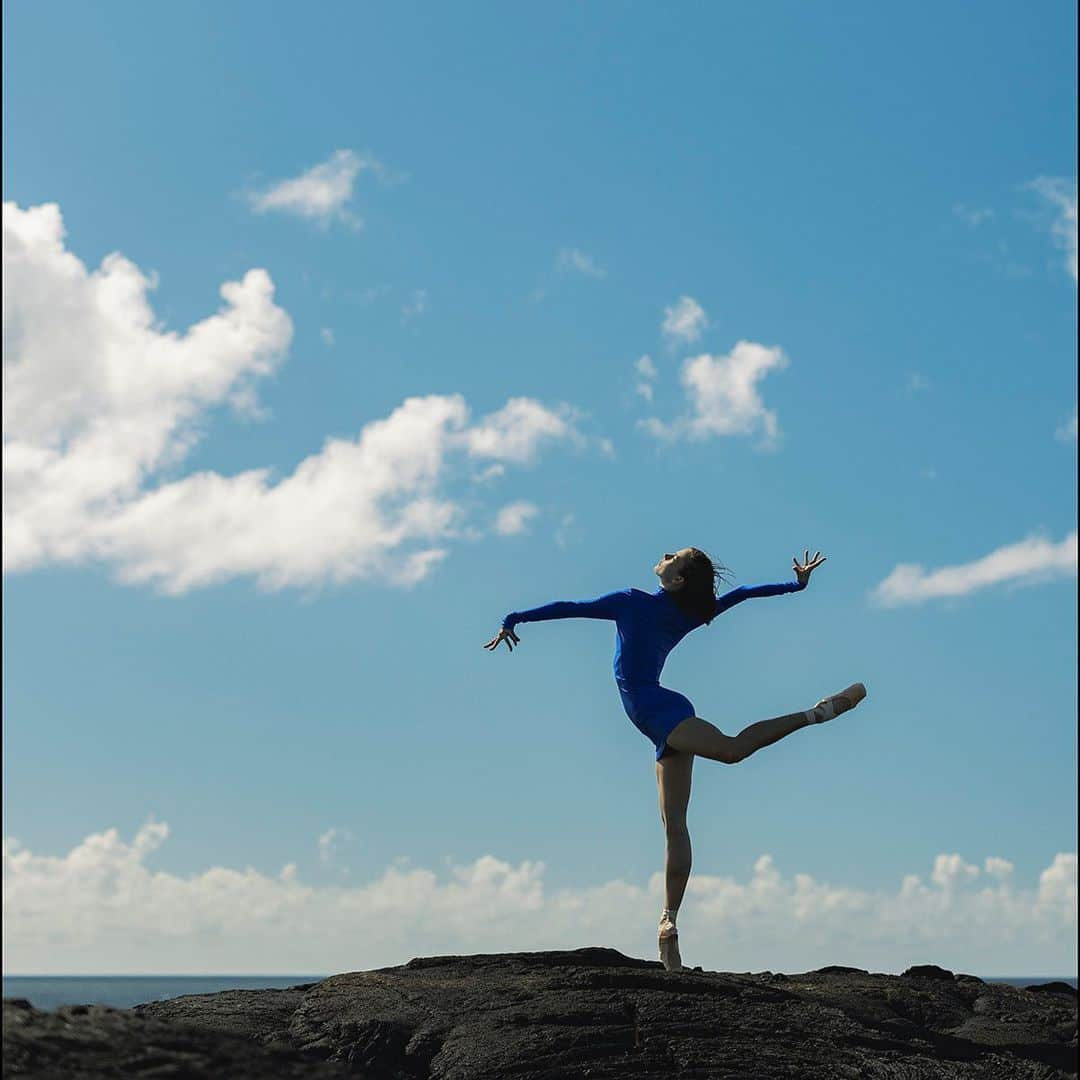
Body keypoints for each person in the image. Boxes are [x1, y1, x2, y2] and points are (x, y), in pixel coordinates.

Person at [483, 547, 867, 973]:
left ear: (677, 580)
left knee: (731, 750)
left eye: (674, 557)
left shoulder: (633, 601)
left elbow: (572, 607)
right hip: (658, 713)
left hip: (656, 710)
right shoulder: (675, 609)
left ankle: (817, 713)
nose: (664, 555)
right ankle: (669, 922)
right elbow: (739, 595)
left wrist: (514, 618)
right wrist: (795, 585)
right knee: (674, 825)